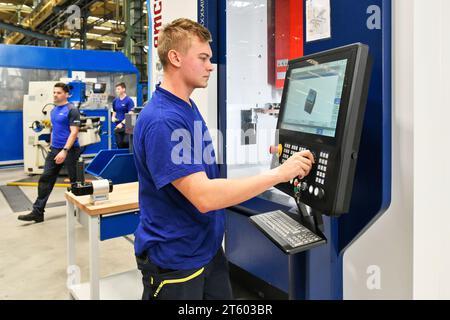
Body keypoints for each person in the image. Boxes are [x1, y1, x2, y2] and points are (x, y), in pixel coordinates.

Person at [132, 18, 314, 300]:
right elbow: (204, 196)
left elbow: (202, 172)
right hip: (176, 261)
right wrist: (279, 173)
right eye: (203, 58)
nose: (210, 66)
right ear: (175, 57)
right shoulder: (164, 119)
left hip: (205, 249)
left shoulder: (186, 106)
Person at [18, 83, 81, 223]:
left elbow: (74, 132)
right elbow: (54, 130)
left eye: (58, 92)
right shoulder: (53, 111)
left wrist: (64, 151)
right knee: (45, 179)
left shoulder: (72, 110)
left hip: (70, 150)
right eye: (54, 92)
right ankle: (37, 212)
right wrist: (52, 147)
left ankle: (82, 210)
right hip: (55, 150)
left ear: (66, 94)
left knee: (75, 181)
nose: (55, 95)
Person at [112, 82, 135, 148]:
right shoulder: (115, 101)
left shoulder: (129, 100)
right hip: (118, 126)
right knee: (119, 143)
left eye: (118, 89)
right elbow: (114, 110)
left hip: (128, 126)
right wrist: (113, 117)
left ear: (123, 89)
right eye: (116, 89)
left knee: (127, 143)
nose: (117, 91)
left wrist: (122, 124)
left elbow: (131, 114)